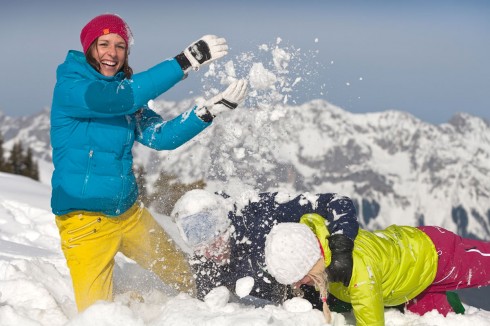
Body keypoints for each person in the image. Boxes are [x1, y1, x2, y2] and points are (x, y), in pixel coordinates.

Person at [50, 13, 248, 312]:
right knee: (97, 315)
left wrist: (207, 112)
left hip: (129, 214)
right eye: (103, 44)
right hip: (84, 223)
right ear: (89, 48)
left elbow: (160, 137)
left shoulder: (124, 96)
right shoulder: (74, 88)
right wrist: (186, 60)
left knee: (185, 277)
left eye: (120, 46)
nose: (112, 53)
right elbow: (116, 100)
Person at [264, 214, 490, 325]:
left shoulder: (359, 275)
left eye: (299, 278)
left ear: (310, 263)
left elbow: (370, 319)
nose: (297, 285)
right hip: (415, 284)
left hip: (436, 253)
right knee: (441, 321)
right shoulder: (326, 249)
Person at [170, 189, 359, 307]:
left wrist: (341, 248)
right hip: (310, 310)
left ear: (226, 226)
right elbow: (208, 310)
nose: (209, 253)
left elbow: (338, 201)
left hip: (346, 272)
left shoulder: (260, 210)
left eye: (215, 241)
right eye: (200, 248)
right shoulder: (206, 262)